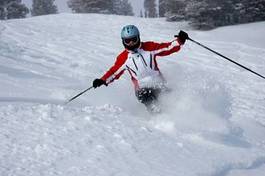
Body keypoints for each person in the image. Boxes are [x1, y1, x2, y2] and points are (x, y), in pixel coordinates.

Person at [92, 25, 188, 113]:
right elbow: (114, 72)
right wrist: (102, 80)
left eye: (134, 39)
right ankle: (159, 119)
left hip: (158, 83)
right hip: (142, 89)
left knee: (172, 101)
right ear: (123, 41)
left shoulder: (149, 47)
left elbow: (167, 48)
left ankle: (181, 113)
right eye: (127, 41)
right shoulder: (123, 58)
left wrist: (180, 40)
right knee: (150, 101)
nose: (131, 43)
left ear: (138, 38)